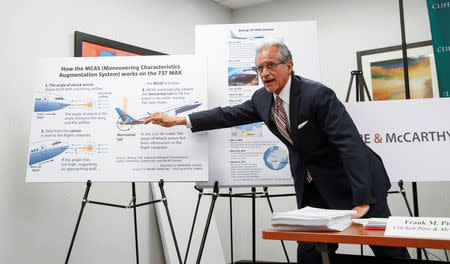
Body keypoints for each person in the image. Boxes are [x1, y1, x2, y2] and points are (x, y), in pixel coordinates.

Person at [145, 39, 410, 263]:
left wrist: (362, 198)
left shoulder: (317, 95)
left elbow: (349, 145)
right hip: (314, 187)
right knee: (309, 251)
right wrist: (180, 120)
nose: (264, 72)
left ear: (289, 66)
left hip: (357, 181)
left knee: (386, 249)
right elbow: (228, 115)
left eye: (271, 65)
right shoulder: (262, 99)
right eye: (260, 67)